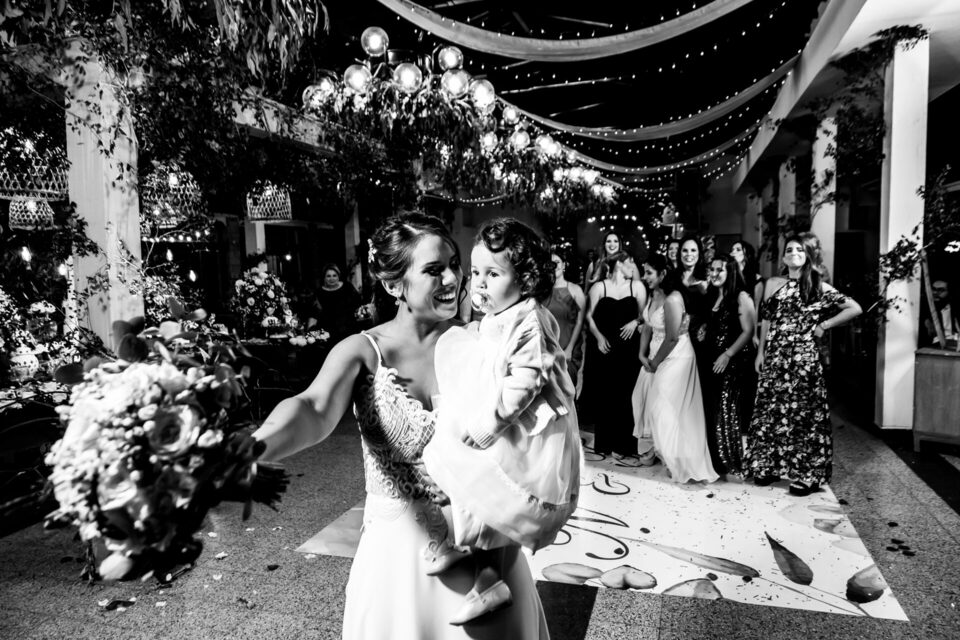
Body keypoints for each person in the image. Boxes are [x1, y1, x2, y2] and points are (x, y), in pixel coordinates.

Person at [252, 212, 549, 639]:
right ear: (394, 285)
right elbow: (312, 407)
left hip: (486, 562)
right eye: (433, 269)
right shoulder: (363, 350)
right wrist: (254, 447)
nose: (452, 278)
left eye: (454, 264)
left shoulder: (485, 342)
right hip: (397, 567)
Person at [422, 218, 581, 626]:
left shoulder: (531, 320)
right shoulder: (502, 312)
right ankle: (467, 543)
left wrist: (487, 426)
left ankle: (490, 581)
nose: (479, 283)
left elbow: (525, 383)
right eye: (476, 272)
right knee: (474, 482)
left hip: (522, 426)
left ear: (525, 280)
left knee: (498, 494)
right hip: (501, 413)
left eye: (493, 274)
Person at [745, 235, 862, 497]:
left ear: (807, 254)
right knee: (772, 411)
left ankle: (808, 475)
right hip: (775, 357)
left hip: (803, 360)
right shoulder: (773, 283)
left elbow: (854, 308)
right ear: (783, 257)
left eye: (799, 249)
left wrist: (824, 325)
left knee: (804, 416)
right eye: (789, 249)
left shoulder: (817, 284)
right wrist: (761, 352)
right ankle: (769, 466)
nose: (794, 253)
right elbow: (766, 319)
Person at [632, 254, 718, 484]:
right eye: (644, 271)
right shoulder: (654, 295)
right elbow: (648, 326)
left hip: (676, 357)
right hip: (655, 355)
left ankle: (678, 460)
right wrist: (642, 354)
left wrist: (655, 363)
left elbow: (672, 338)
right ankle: (665, 455)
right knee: (645, 401)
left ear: (662, 274)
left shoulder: (672, 299)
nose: (644, 277)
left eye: (649, 272)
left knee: (664, 409)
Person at [580, 251, 646, 457]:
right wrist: (599, 337)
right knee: (606, 394)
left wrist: (635, 322)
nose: (633, 266)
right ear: (618, 264)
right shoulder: (600, 287)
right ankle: (605, 443)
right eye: (630, 262)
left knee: (626, 395)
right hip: (606, 347)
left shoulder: (637, 287)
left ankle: (625, 445)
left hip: (629, 349)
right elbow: (588, 316)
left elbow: (645, 315)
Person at [703, 254, 757, 476]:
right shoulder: (713, 295)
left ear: (731, 271)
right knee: (712, 410)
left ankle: (727, 461)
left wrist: (728, 354)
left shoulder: (741, 296)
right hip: (711, 359)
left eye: (720, 270)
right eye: (712, 269)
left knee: (725, 411)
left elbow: (748, 331)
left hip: (731, 362)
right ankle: (714, 461)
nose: (714, 274)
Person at [545, 249, 587, 385]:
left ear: (564, 265)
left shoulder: (575, 290)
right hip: (546, 349)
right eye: (551, 263)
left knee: (567, 387)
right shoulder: (543, 291)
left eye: (557, 262)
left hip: (568, 347)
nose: (554, 266)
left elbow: (580, 322)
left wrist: (569, 349)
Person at [316, 263, 361, 344]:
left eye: (334, 275)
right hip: (329, 331)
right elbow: (315, 312)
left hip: (349, 328)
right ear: (324, 278)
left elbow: (358, 304)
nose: (332, 279)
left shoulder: (347, 287)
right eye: (328, 276)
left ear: (338, 276)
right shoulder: (319, 292)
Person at [730, 239, 764, 312]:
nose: (733, 252)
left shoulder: (756, 278)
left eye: (738, 250)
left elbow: (756, 307)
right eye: (732, 250)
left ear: (746, 253)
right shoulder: (730, 276)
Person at [924, 279, 958, 347]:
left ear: (949, 292)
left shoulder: (953, 309)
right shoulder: (925, 310)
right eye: (933, 289)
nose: (935, 292)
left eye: (941, 290)